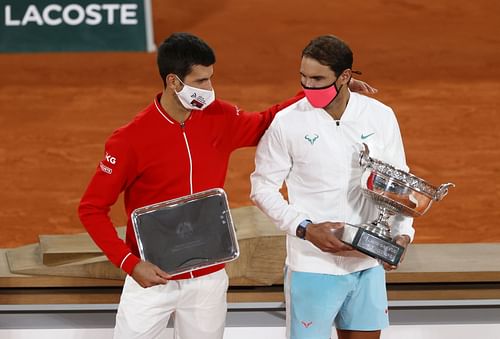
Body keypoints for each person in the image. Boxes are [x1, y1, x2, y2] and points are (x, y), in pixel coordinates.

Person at [78, 32, 375, 339]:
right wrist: (130, 264)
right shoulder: (129, 139)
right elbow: (91, 209)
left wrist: (326, 90)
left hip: (208, 277)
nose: (210, 89)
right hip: (152, 277)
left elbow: (265, 122)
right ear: (173, 82)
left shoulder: (219, 116)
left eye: (211, 79)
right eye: (201, 81)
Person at [250, 35, 414, 339]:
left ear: (345, 77)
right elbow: (262, 188)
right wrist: (304, 228)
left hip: (368, 261)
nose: (308, 86)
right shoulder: (286, 123)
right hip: (312, 265)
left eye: (318, 79)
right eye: (303, 77)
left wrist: (403, 233)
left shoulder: (380, 116)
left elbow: (400, 183)